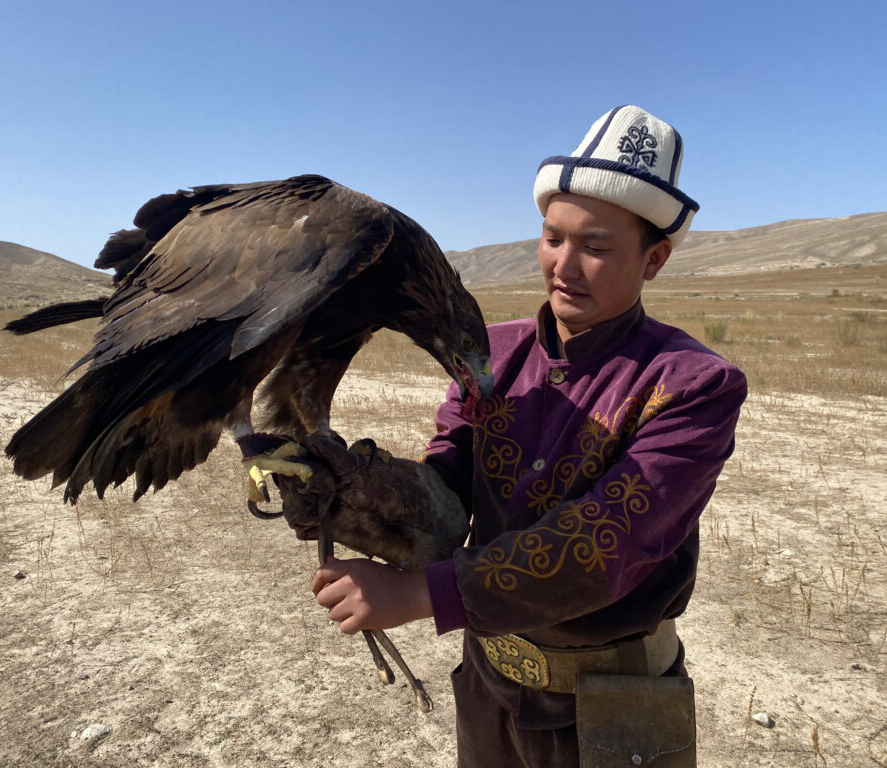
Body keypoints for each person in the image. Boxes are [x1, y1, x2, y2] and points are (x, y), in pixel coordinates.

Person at [270, 105, 747, 767]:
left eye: (597, 246)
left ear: (655, 258)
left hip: (611, 710)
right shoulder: (490, 354)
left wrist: (416, 595)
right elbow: (445, 490)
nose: (564, 265)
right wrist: (348, 489)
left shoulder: (695, 383)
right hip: (488, 685)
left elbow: (603, 547)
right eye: (553, 237)